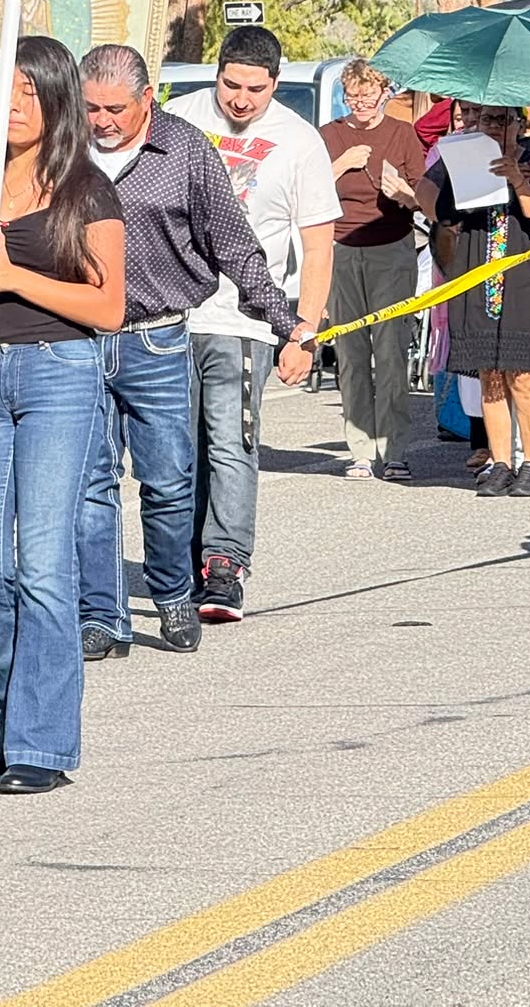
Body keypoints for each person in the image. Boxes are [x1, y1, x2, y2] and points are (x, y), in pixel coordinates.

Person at [0, 37, 124, 795]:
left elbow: (107, 306)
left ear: (55, 100)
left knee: (46, 564)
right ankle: (13, 714)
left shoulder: (86, 191)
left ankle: (38, 742)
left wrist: (15, 278)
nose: (14, 105)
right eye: (4, 90)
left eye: (30, 92)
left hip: (59, 376)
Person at [75, 44, 311, 652]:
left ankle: (174, 594)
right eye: (91, 107)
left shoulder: (185, 152)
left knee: (168, 479)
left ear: (146, 99)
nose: (101, 120)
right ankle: (102, 614)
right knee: (93, 482)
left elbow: (235, 247)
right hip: (76, 338)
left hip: (156, 339)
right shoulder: (64, 147)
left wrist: (288, 322)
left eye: (115, 109)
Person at [166, 27, 338, 620]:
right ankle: (179, 562)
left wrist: (304, 330)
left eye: (255, 90)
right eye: (231, 85)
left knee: (231, 441)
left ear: (275, 83)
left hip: (247, 319)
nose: (241, 100)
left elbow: (318, 246)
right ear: (216, 73)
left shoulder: (299, 141)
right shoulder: (176, 119)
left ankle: (224, 566)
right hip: (169, 315)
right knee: (174, 449)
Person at [419, 104, 530, 496]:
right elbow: (440, 210)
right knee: (490, 373)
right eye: (489, 119)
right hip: (477, 272)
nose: (495, 126)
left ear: (520, 124)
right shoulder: (465, 154)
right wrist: (460, 181)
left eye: (505, 119)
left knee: (523, 374)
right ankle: (501, 460)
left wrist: (519, 182)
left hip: (524, 277)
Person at [320, 59, 426, 481]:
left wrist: (403, 192)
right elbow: (306, 189)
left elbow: (423, 198)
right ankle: (360, 450)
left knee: (391, 350)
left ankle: (394, 449)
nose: (361, 103)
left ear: (385, 93)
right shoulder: (331, 136)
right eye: (353, 96)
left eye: (368, 94)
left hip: (391, 250)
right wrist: (343, 162)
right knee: (350, 353)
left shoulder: (403, 134)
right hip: (341, 248)